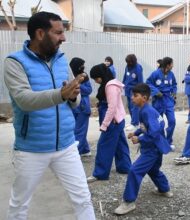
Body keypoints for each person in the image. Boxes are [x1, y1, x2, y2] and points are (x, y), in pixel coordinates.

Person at [4, 12, 95, 219]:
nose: (63, 38)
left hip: (66, 146)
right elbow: (24, 100)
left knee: (82, 198)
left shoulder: (62, 61)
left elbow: (75, 100)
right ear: (40, 33)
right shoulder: (14, 62)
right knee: (19, 205)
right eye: (58, 33)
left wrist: (72, 97)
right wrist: (61, 94)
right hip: (31, 149)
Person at [114, 83, 173, 215]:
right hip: (157, 147)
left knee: (134, 171)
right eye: (132, 95)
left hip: (152, 149)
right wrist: (135, 133)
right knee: (153, 170)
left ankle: (128, 202)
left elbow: (155, 131)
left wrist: (140, 139)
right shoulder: (145, 110)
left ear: (145, 98)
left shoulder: (147, 111)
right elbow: (145, 127)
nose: (132, 98)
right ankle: (164, 189)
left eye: (135, 96)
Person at [87, 64, 132, 183]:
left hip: (113, 121)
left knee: (104, 145)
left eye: (96, 78)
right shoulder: (111, 83)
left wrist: (104, 124)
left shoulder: (110, 86)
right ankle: (125, 167)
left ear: (101, 75)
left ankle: (100, 173)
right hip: (118, 120)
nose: (96, 81)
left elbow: (111, 107)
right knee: (120, 144)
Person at [146, 57, 177, 149]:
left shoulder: (171, 74)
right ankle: (161, 141)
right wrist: (156, 91)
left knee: (172, 121)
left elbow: (174, 84)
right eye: (172, 64)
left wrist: (174, 92)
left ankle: (168, 141)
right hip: (158, 101)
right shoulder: (155, 73)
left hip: (168, 100)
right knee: (159, 122)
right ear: (168, 65)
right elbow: (148, 83)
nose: (173, 65)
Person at [69, 57, 92, 156]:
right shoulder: (69, 75)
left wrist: (76, 84)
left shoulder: (84, 76)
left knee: (80, 131)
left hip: (83, 108)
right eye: (81, 65)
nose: (83, 67)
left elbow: (88, 90)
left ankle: (76, 153)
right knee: (77, 130)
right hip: (73, 107)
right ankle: (85, 150)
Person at [123, 54, 144, 131]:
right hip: (127, 89)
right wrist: (123, 84)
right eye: (127, 62)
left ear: (133, 61)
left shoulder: (138, 68)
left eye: (129, 62)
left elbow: (140, 80)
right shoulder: (127, 67)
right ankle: (133, 121)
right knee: (129, 106)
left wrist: (139, 91)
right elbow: (125, 76)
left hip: (134, 90)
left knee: (134, 107)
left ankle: (135, 123)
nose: (128, 63)